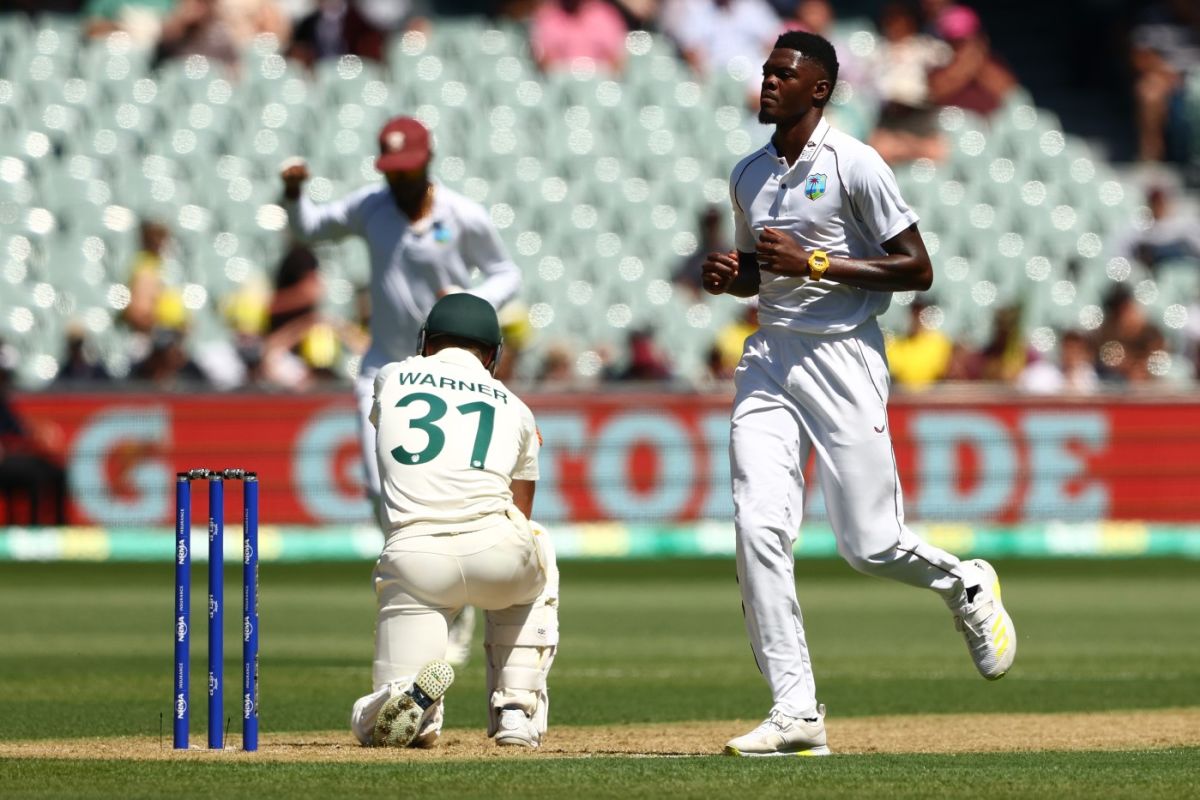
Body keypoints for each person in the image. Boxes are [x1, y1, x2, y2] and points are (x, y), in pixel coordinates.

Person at [701, 30, 1017, 758]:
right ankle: (796, 709)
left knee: (869, 545)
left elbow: (916, 268)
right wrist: (737, 276)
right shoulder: (748, 172)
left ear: (819, 89)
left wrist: (814, 261)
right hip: (770, 357)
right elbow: (769, 272)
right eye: (765, 72)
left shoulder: (857, 164)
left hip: (843, 357)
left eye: (784, 74)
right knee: (757, 526)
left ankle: (965, 584)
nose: (767, 83)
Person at [280, 115, 522, 664]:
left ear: (427, 161)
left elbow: (507, 273)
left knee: (459, 486)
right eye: (390, 171)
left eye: (405, 171)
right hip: (383, 368)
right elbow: (310, 228)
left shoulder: (461, 215)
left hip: (451, 370)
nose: (396, 182)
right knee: (378, 486)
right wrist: (293, 195)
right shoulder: (372, 207)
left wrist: (470, 303)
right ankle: (428, 598)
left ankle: (454, 602)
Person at [349, 293, 559, 750]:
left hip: (412, 560)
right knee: (537, 543)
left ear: (426, 342)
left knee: (403, 729)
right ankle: (515, 713)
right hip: (493, 553)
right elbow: (521, 513)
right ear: (493, 355)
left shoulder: (391, 376)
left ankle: (395, 704)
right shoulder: (517, 407)